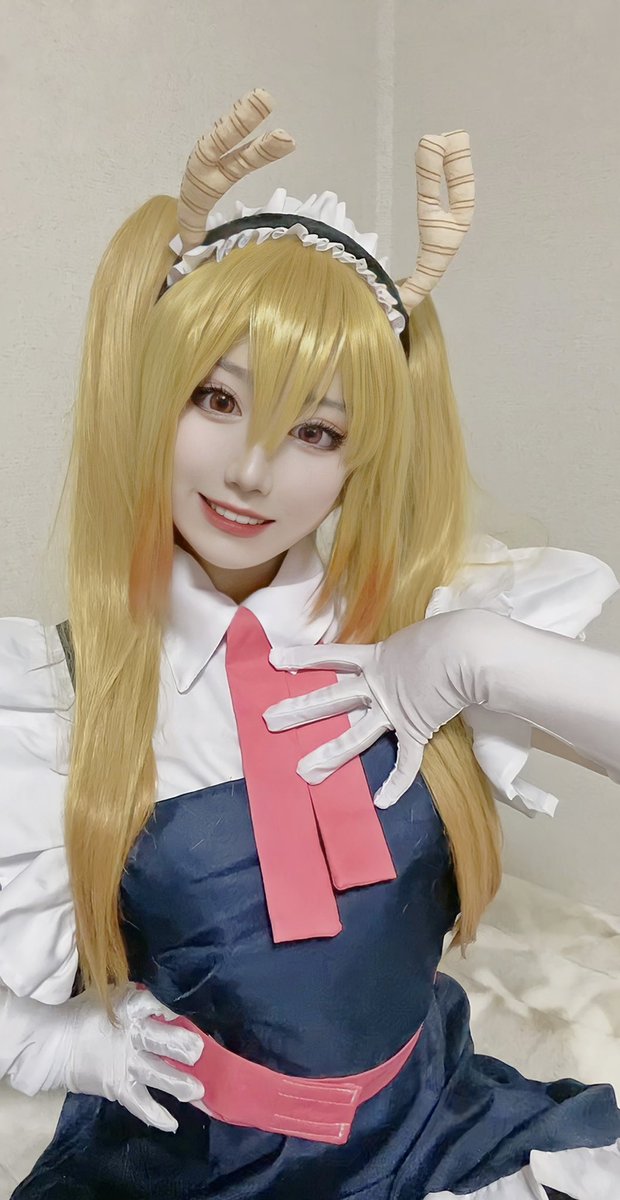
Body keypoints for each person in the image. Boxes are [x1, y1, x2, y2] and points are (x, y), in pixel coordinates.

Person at [1, 87, 619, 1200]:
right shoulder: (60, 695)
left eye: (315, 430)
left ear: (358, 457)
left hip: (432, 1126)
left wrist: (470, 651)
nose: (252, 471)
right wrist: (46, 1043)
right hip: (192, 1167)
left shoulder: (426, 627)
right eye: (216, 399)